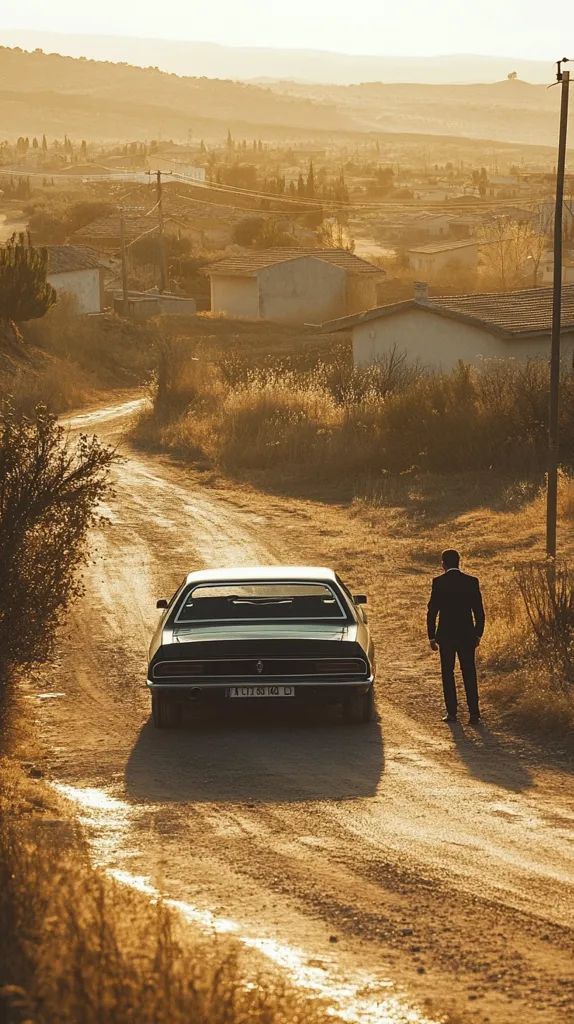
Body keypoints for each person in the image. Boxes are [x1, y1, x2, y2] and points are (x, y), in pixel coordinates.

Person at [426, 549, 485, 725]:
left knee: (448, 672)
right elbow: (479, 612)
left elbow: (432, 611)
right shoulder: (471, 582)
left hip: (445, 635)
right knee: (469, 672)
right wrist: (477, 633)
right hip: (467, 635)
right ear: (459, 562)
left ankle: (452, 712)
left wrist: (431, 635)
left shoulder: (438, 582)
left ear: (443, 564)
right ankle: (474, 713)